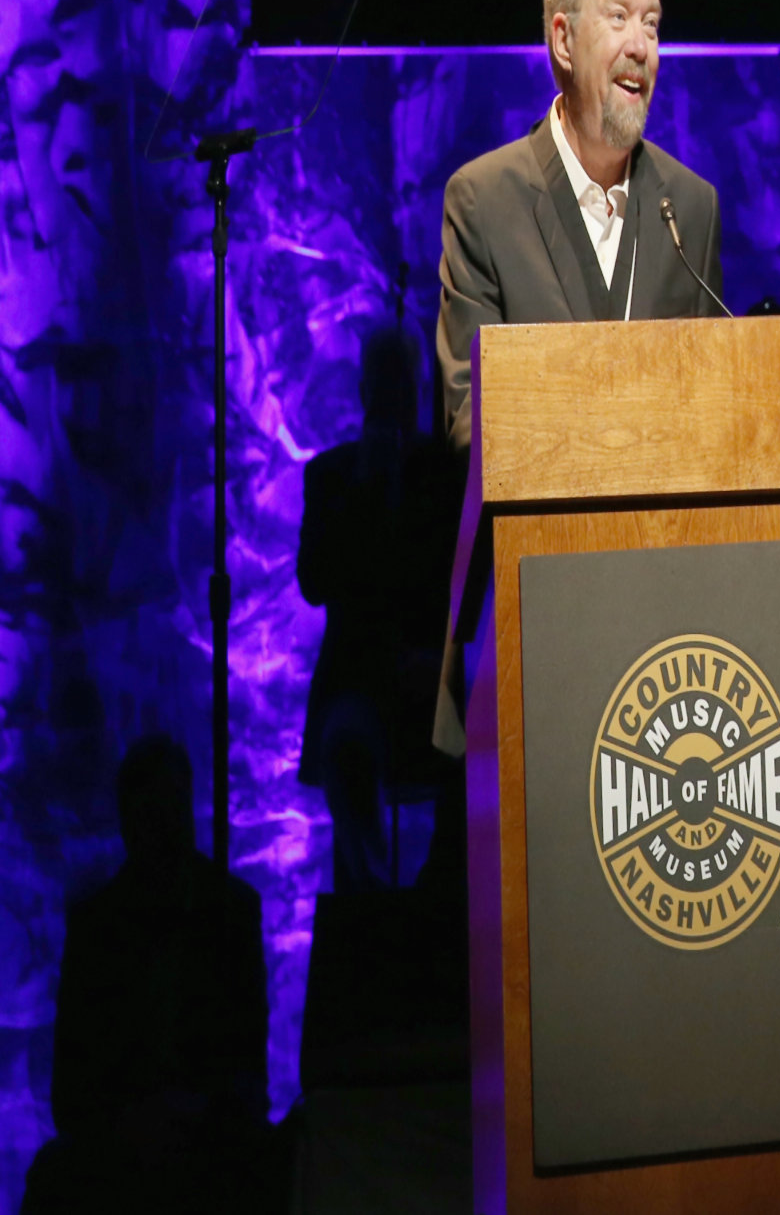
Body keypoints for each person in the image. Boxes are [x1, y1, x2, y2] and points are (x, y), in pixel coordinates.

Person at [435, 0, 724, 456]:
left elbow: (713, 406)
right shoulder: (483, 203)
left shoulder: (690, 209)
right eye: (618, 17)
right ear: (563, 40)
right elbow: (470, 425)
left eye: (651, 23)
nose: (641, 46)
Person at [26, 736, 282, 1215]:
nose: (165, 832)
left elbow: (249, 1071)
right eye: (153, 816)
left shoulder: (232, 911)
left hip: (207, 1137)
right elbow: (70, 1093)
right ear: (128, 825)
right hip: (125, 1143)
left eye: (172, 812)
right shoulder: (95, 926)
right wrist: (131, 1123)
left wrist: (193, 1114)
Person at [296, 327, 462, 891]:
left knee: (481, 748)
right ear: (364, 393)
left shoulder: (444, 474)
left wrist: (435, 662)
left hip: (431, 679)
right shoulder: (330, 477)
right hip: (358, 685)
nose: (394, 403)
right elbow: (314, 583)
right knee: (344, 749)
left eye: (403, 390)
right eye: (383, 389)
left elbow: (460, 582)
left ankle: (443, 909)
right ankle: (365, 906)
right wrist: (364, 489)